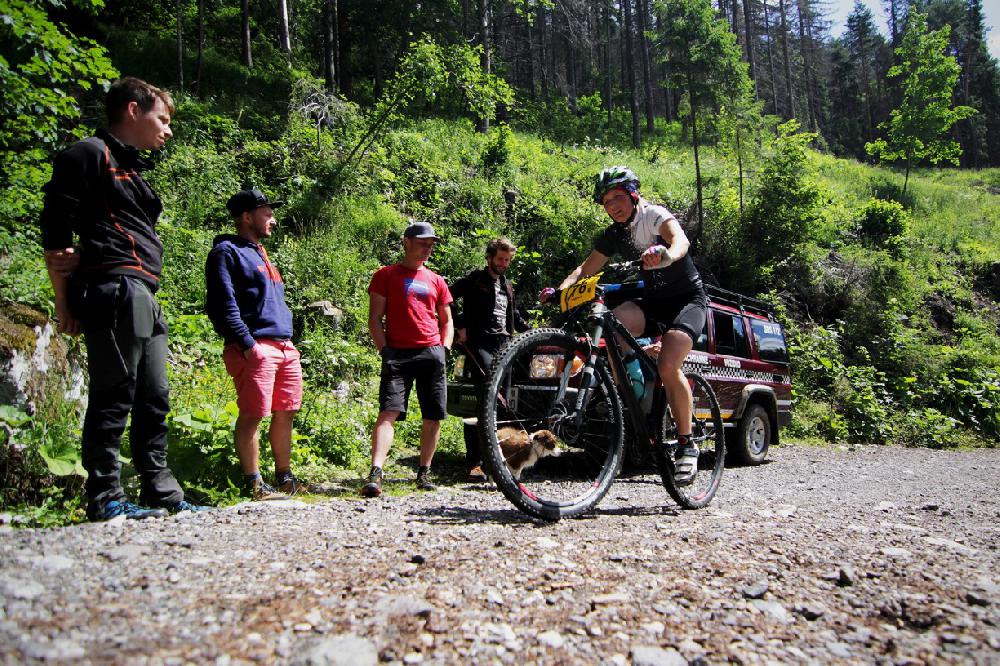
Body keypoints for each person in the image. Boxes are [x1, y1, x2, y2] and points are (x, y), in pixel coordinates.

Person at [39, 77, 209, 519]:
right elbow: (56, 236)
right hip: (114, 287)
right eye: (162, 119)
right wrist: (64, 303)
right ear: (133, 110)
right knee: (115, 392)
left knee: (154, 395)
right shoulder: (89, 154)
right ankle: (105, 498)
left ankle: (161, 492)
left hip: (144, 290)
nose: (168, 129)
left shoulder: (130, 168)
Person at [542, 166, 708, 484]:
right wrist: (561, 290)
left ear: (633, 194)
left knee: (668, 365)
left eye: (617, 197)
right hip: (653, 301)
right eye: (606, 202)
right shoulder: (616, 233)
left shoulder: (653, 215)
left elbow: (680, 241)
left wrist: (666, 255)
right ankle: (630, 397)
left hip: (687, 301)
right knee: (613, 324)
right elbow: (585, 269)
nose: (612, 206)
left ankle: (687, 445)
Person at [205, 189, 307, 501]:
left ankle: (284, 478)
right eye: (267, 214)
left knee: (285, 412)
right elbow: (221, 305)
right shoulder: (226, 252)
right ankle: (254, 484)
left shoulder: (260, 252)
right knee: (253, 414)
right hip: (256, 347)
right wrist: (249, 345)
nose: (273, 220)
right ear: (247, 217)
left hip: (284, 346)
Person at [363, 221, 454, 497]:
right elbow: (375, 318)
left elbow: (447, 321)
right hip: (397, 354)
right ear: (407, 242)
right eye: (423, 243)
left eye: (431, 244)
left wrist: (444, 349)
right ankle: (376, 472)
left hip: (431, 353)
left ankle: (424, 472)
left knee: (433, 416)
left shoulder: (437, 280)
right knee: (388, 412)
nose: (428, 248)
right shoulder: (386, 275)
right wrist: (385, 351)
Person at [448, 237, 529, 481]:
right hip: (480, 343)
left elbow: (514, 315)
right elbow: (446, 296)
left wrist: (535, 333)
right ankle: (475, 462)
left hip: (505, 345)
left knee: (502, 404)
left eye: (508, 260)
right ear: (490, 257)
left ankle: (496, 460)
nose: (504, 264)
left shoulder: (507, 284)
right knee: (485, 399)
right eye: (500, 259)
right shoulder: (475, 279)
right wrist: (459, 325)